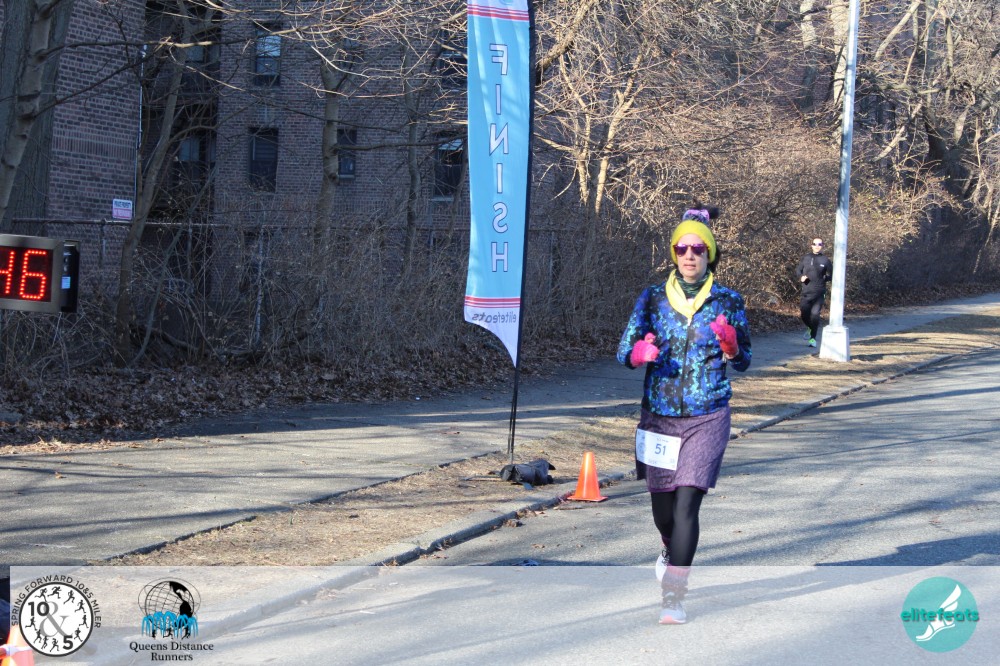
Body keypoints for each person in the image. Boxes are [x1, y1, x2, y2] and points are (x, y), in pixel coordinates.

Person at [617, 205, 751, 625]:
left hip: (708, 413)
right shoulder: (652, 298)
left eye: (698, 248)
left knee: (687, 503)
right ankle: (668, 546)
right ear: (673, 253)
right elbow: (623, 350)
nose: (690, 255)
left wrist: (732, 347)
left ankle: (673, 596)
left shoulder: (728, 300)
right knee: (664, 510)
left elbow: (744, 359)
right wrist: (638, 353)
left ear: (710, 253)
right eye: (682, 248)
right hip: (659, 415)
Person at [796, 237, 832, 348]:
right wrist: (801, 277)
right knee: (804, 314)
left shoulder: (825, 260)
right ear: (811, 245)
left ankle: (813, 339)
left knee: (815, 314)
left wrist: (825, 278)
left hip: (819, 292)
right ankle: (810, 327)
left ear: (822, 246)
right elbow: (798, 270)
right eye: (815, 244)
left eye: (819, 244)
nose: (817, 246)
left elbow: (832, 275)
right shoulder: (806, 258)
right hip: (806, 292)